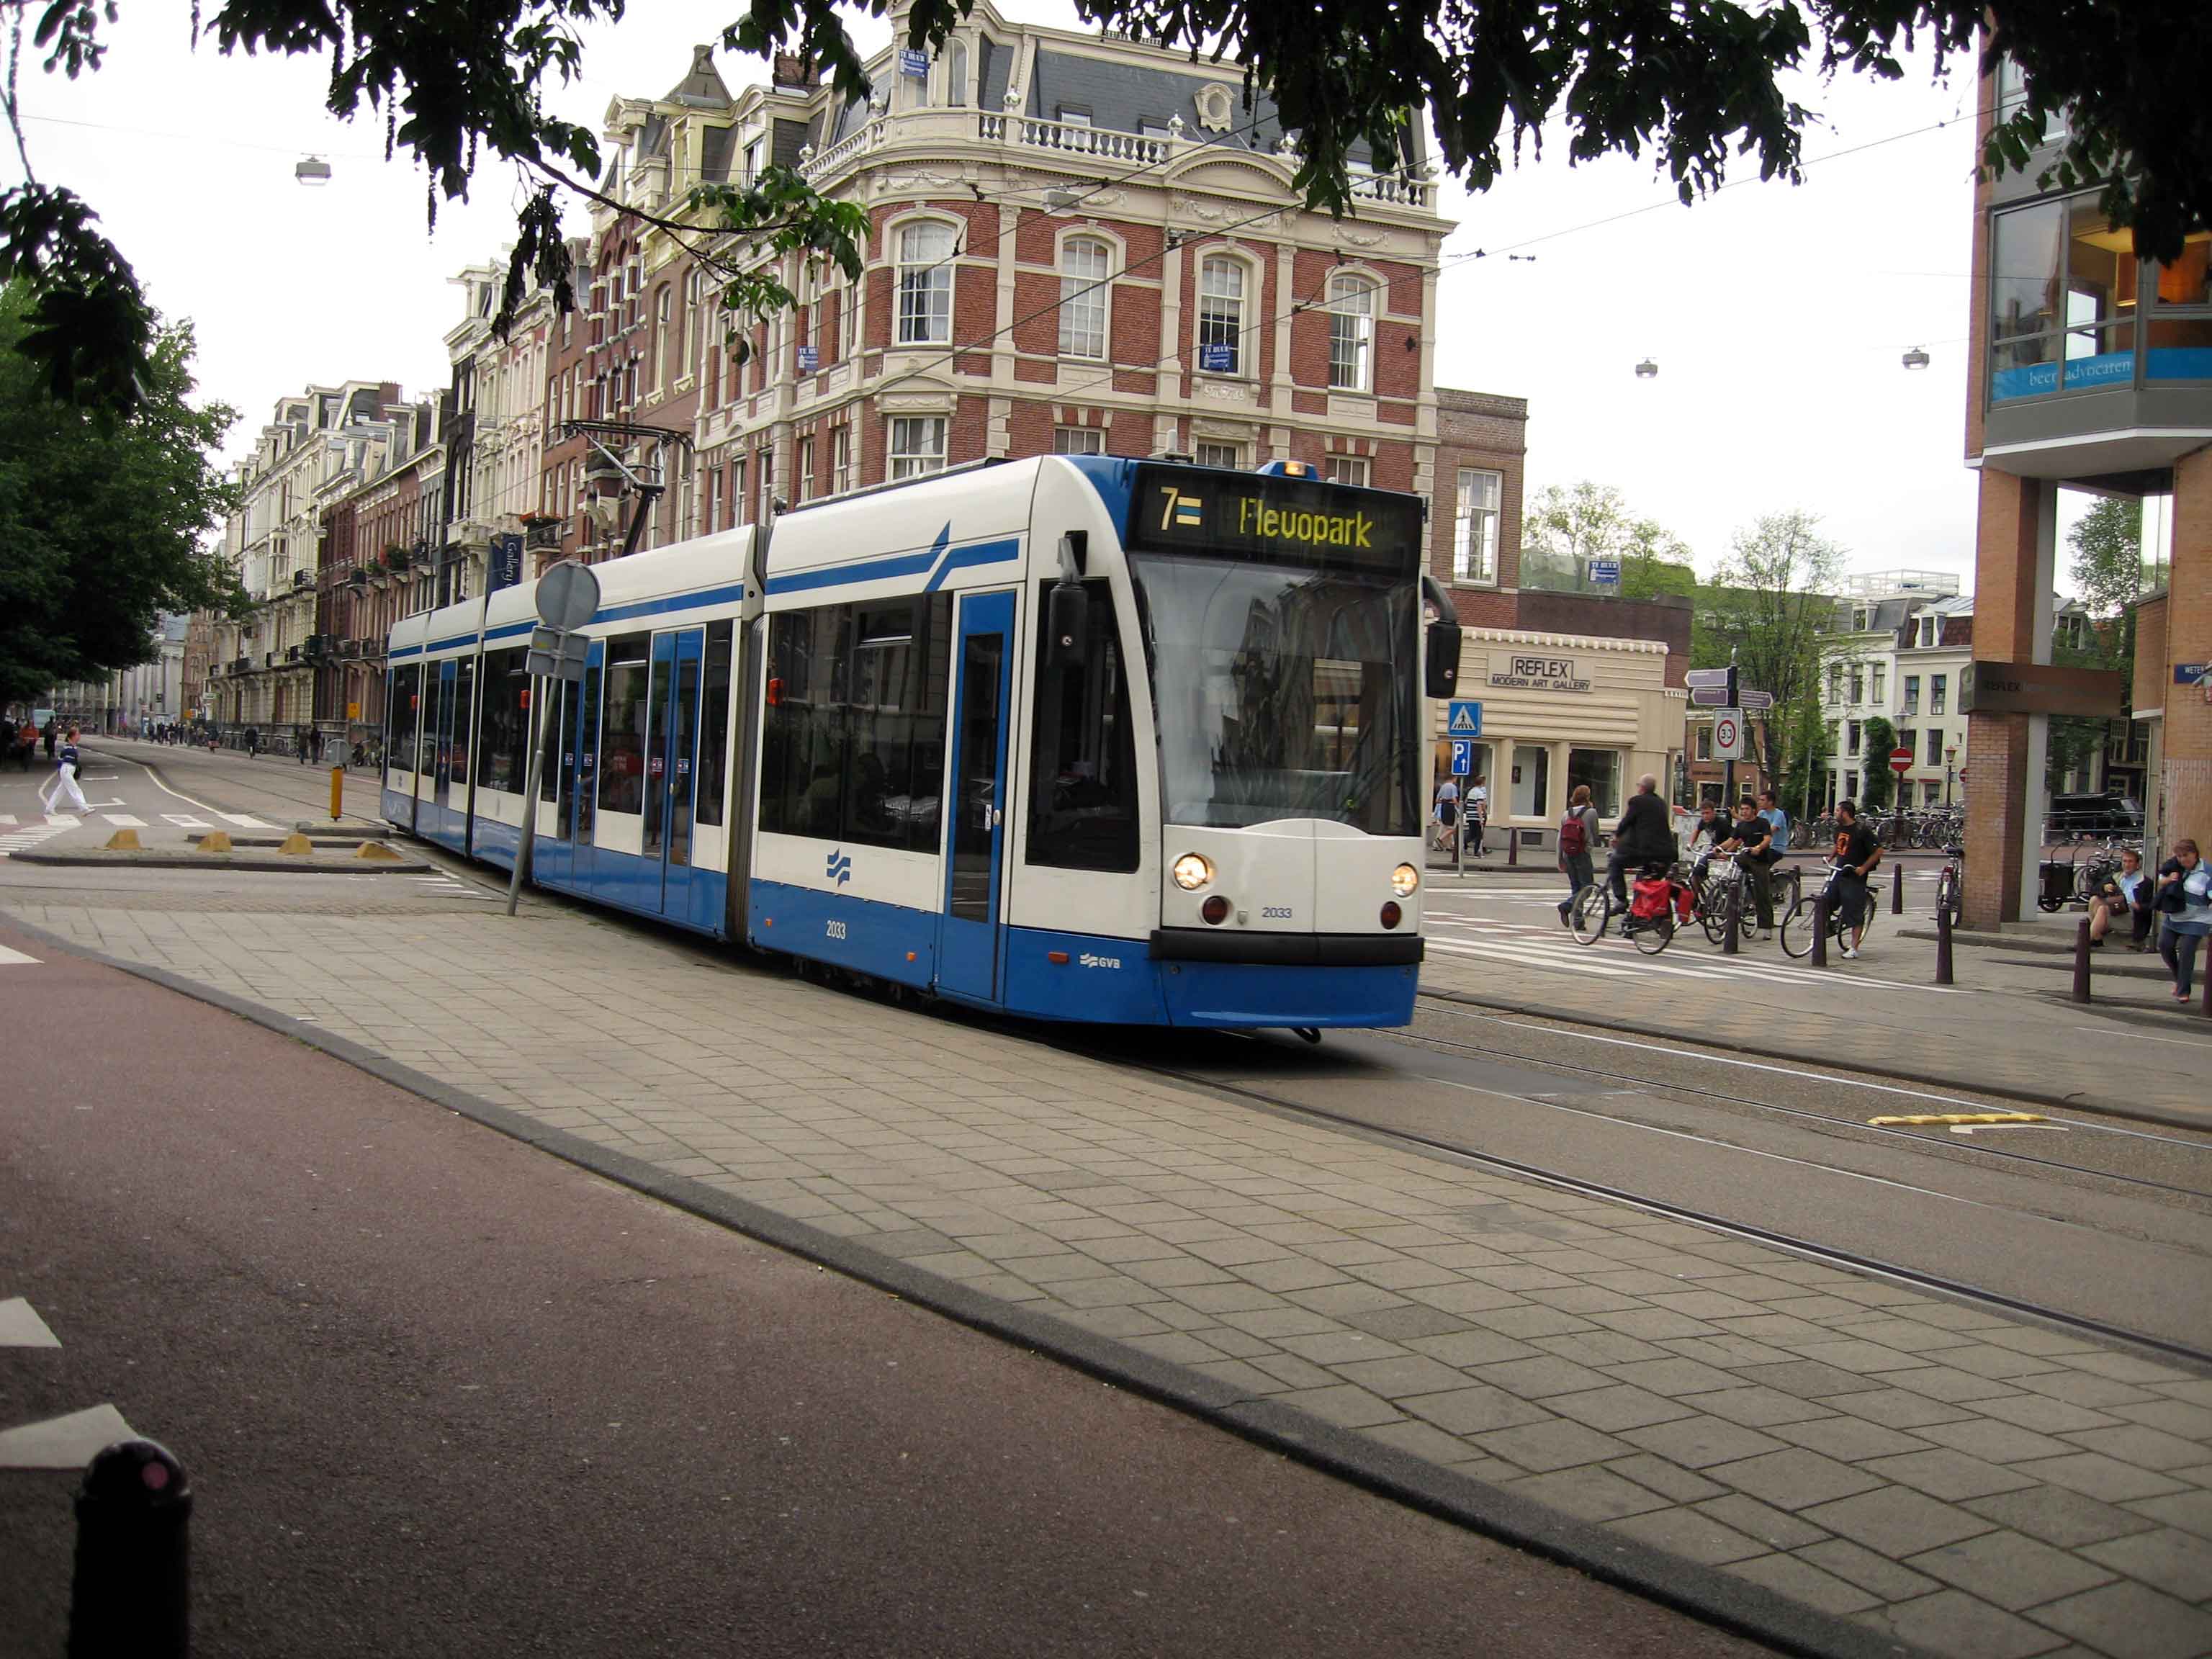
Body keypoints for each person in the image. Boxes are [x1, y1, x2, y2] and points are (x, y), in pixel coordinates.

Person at [2154, 839, 2212, 1002]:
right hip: (2174, 915)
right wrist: (2169, 879)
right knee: (2164, 946)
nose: (2182, 859)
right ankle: (2179, 979)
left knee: (2187, 952)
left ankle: (2183, 991)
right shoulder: (2174, 865)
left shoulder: (2207, 871)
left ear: (2195, 854)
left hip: (2198, 919)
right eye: (2179, 856)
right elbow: (2160, 881)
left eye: (2185, 855)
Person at [1606, 773, 1676, 904]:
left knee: (1614, 862)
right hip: (1666, 854)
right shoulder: (1661, 803)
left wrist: (1616, 836)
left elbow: (1627, 821)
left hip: (1647, 852)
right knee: (1644, 880)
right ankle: (1639, 911)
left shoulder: (1637, 801)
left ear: (1642, 788)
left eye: (1638, 785)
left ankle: (1621, 900)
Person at [1828, 799, 1881, 959]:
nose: (1835, 813)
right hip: (1839, 872)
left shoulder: (1861, 830)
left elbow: (1878, 851)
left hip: (1855, 875)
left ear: (1845, 813)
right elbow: (1839, 845)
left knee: (1855, 910)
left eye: (1837, 811)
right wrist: (1831, 857)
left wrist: (1863, 868)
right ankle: (1824, 930)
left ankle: (1853, 947)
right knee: (1826, 901)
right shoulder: (1839, 828)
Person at [1729, 795, 1778, 938]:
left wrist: (1758, 848)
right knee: (1731, 872)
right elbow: (1732, 840)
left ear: (1754, 810)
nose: (1743, 812)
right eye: (1742, 809)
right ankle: (1735, 899)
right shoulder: (1741, 825)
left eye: (1746, 809)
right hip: (1745, 857)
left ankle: (1767, 927)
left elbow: (1767, 839)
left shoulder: (1762, 823)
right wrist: (1719, 849)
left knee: (1762, 893)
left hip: (1759, 860)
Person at [2087, 848, 2154, 950]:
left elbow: (2152, 906)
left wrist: (2139, 906)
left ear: (2137, 865)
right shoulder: (2117, 877)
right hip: (2118, 908)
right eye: (2125, 861)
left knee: (2103, 909)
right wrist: (2104, 888)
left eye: (2130, 862)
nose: (2127, 865)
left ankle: (2088, 940)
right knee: (2094, 900)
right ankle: (2096, 934)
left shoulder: (2145, 882)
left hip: (2134, 917)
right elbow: (2093, 890)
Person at [1556, 783, 1600, 925]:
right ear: (1587, 797)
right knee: (1587, 888)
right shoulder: (1591, 813)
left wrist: (1560, 859)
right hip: (1582, 853)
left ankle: (1578, 921)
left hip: (1567, 854)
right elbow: (1595, 833)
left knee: (1576, 887)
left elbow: (1560, 838)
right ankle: (1567, 906)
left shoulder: (1566, 814)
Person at [39, 724, 90, 817]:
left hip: (68, 770)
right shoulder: (69, 748)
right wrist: (61, 770)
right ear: (72, 737)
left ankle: (49, 808)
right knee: (75, 790)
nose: (79, 736)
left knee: (60, 791)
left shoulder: (72, 747)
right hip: (67, 770)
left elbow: (62, 759)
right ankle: (84, 808)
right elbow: (62, 760)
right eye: (77, 734)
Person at [1432, 775, 1460, 855]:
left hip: (1444, 807)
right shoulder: (1453, 787)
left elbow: (1437, 800)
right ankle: (1440, 839)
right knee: (1452, 828)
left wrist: (1444, 802)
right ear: (1454, 778)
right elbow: (1454, 799)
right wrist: (1458, 806)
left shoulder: (1443, 786)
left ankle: (1449, 846)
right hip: (1451, 808)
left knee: (1445, 826)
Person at [1759, 788, 1791, 854]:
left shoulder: (1779, 814)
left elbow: (1771, 830)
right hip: (1765, 846)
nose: (1759, 802)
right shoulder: (1761, 813)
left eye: (1762, 800)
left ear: (1770, 802)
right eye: (1759, 800)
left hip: (1776, 848)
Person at [1465, 775, 1488, 857]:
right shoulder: (1480, 793)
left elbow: (1466, 802)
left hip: (1470, 815)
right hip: (1476, 816)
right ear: (1482, 783)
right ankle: (1476, 852)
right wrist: (1481, 818)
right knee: (1479, 835)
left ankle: (1462, 843)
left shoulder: (1471, 791)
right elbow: (1479, 806)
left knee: (1472, 834)